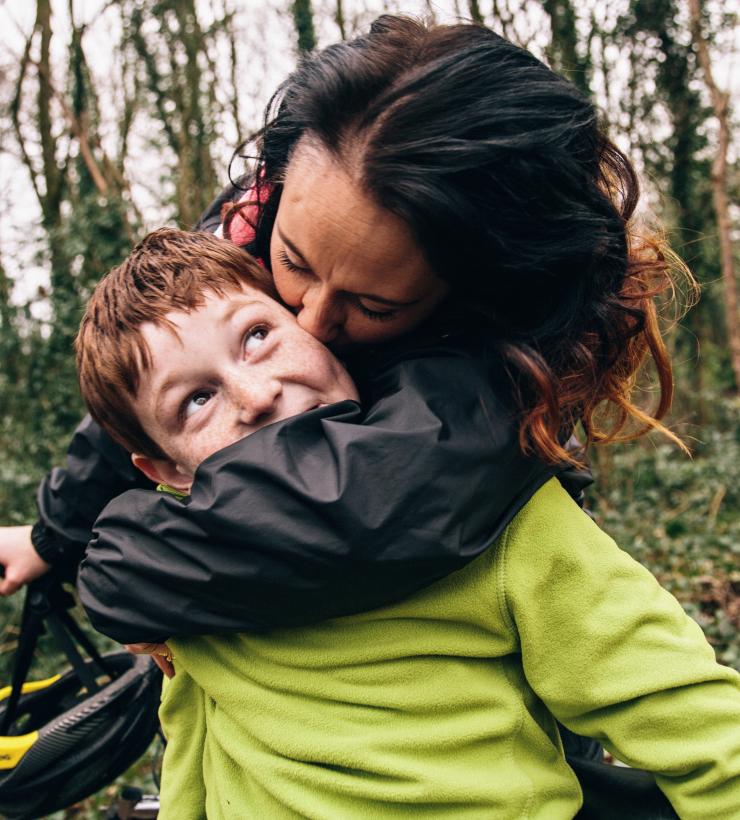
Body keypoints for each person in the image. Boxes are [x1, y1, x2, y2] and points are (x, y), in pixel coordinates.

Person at [75, 235, 740, 818]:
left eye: (257, 336)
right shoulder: (188, 586)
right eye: (197, 400)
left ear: (316, 324)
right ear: (165, 468)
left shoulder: (504, 519)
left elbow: (696, 725)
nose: (258, 394)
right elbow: (195, 765)